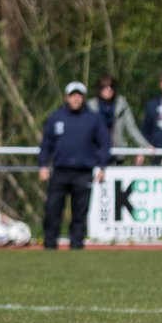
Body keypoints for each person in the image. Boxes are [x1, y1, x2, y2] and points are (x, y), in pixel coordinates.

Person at [38, 81, 109, 250]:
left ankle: (76, 245)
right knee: (53, 210)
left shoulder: (93, 118)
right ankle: (49, 244)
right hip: (60, 171)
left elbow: (105, 144)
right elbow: (46, 144)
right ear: (66, 97)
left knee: (80, 213)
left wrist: (101, 166)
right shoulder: (56, 117)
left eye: (79, 95)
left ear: (83, 98)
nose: (76, 99)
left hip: (83, 172)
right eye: (72, 95)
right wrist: (43, 165)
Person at [85, 74, 146, 164]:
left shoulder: (122, 104)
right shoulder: (89, 106)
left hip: (117, 152)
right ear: (99, 89)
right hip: (95, 153)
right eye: (104, 87)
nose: (108, 89)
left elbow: (132, 128)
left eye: (111, 86)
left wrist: (144, 146)